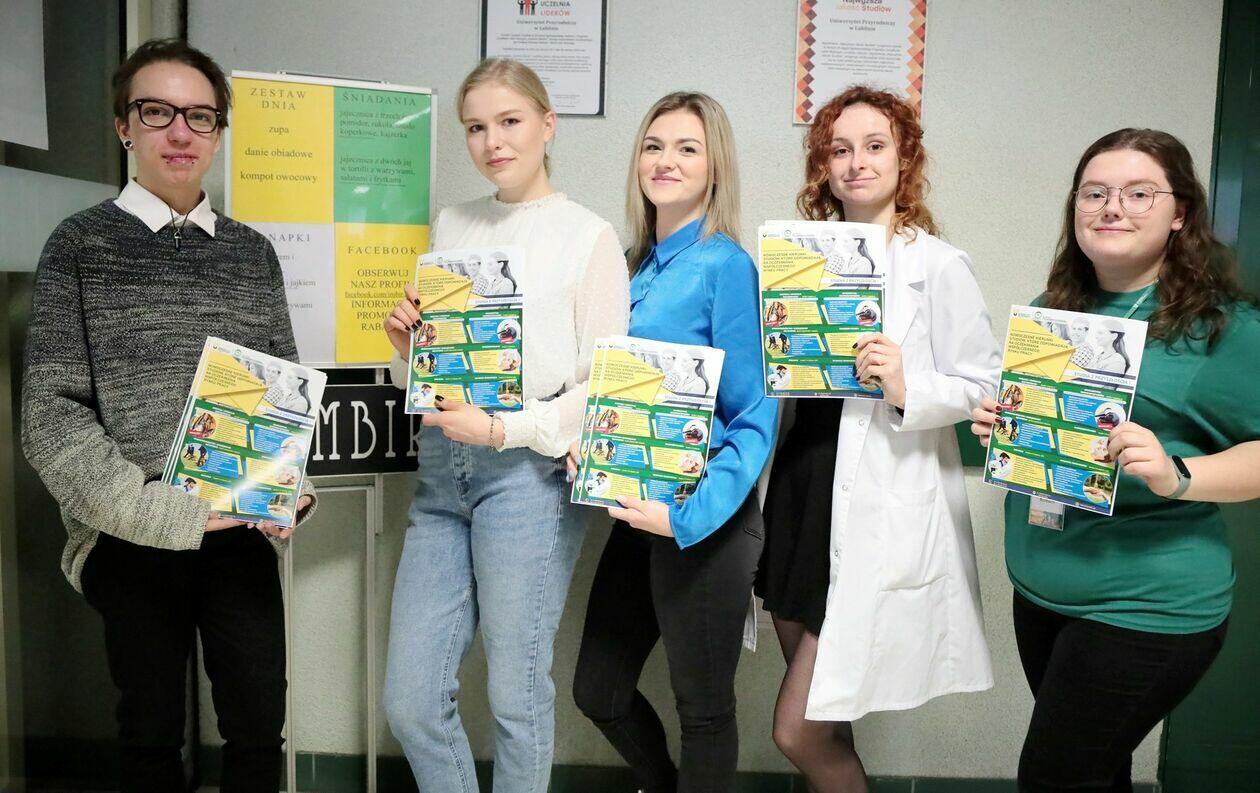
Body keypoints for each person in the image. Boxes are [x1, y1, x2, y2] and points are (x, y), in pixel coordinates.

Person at [20, 38, 314, 793]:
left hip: (240, 531)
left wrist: (289, 484)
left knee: (259, 729)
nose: (180, 131)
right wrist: (161, 513)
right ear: (125, 125)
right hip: (131, 534)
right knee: (149, 736)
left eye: (200, 116)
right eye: (158, 112)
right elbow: (51, 416)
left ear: (217, 132)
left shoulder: (251, 253)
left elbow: (280, 390)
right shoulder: (80, 245)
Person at [970, 128, 1260, 793]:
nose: (1112, 207)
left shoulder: (1221, 328)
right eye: (1094, 192)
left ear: (1180, 212)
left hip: (1146, 603)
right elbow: (1047, 438)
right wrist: (1004, 428)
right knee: (1097, 773)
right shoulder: (1053, 311)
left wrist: (1177, 473)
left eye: (1139, 193)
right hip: (1043, 589)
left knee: (1054, 778)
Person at [381, 57, 630, 793]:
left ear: (547, 125)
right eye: (476, 127)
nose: (493, 141)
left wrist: (503, 431)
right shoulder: (454, 223)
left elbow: (601, 386)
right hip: (441, 468)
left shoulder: (589, 236)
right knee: (411, 701)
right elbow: (435, 372)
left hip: (529, 476)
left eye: (510, 121)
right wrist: (406, 350)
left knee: (516, 696)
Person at [755, 85, 999, 792]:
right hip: (800, 489)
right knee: (827, 716)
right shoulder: (795, 261)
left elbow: (987, 387)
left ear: (904, 159)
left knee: (796, 730)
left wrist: (905, 383)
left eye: (874, 146)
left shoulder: (939, 266)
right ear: (823, 167)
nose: (856, 162)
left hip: (876, 508)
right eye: (840, 149)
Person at [569, 91, 777, 793]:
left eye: (688, 148)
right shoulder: (628, 265)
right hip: (632, 511)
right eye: (654, 145)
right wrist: (582, 441)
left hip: (703, 523)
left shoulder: (726, 267)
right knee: (598, 690)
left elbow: (753, 417)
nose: (666, 160)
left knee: (704, 713)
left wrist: (686, 516)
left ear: (715, 166)